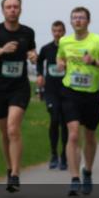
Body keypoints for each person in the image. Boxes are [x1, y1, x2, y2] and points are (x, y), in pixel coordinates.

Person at [57, 6, 99, 196]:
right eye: (74, 17)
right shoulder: (64, 41)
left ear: (88, 21)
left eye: (81, 17)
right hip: (70, 92)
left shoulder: (98, 41)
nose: (78, 20)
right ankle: (75, 178)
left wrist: (94, 62)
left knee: (90, 136)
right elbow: (60, 57)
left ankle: (88, 171)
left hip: (91, 94)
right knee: (73, 134)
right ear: (71, 21)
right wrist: (60, 64)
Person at [0, 0, 37, 192]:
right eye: (8, 7)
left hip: (20, 88)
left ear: (20, 9)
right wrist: (2, 50)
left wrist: (33, 56)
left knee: (13, 128)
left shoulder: (27, 32)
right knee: (5, 132)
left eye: (15, 6)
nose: (12, 10)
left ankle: (15, 173)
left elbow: (32, 53)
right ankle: (9, 168)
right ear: (3, 10)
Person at [36, 21, 68, 170]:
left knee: (65, 123)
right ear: (52, 32)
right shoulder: (46, 48)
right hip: (51, 91)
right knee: (54, 119)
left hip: (67, 90)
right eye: (55, 31)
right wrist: (39, 74)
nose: (57, 34)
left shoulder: (69, 48)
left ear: (64, 32)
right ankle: (54, 154)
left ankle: (64, 156)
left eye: (60, 31)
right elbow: (39, 61)